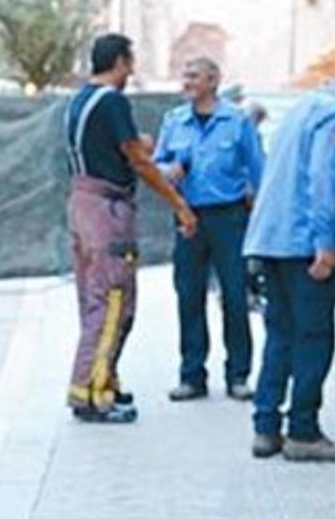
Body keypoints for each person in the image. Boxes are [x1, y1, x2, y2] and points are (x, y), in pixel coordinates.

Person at [244, 59, 335, 462]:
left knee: (280, 334)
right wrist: (325, 243)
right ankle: (303, 430)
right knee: (314, 337)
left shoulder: (301, 108)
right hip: (303, 242)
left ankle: (266, 427)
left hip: (270, 237)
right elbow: (324, 180)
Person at [65, 33, 198, 424]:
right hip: (108, 212)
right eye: (130, 62)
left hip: (81, 205)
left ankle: (105, 381)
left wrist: (135, 142)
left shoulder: (77, 101)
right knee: (114, 302)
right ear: (120, 62)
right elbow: (138, 161)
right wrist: (180, 206)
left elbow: (108, 146)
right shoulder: (112, 101)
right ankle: (91, 393)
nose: (131, 71)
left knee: (94, 301)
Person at [154, 57, 265, 402]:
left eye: (193, 75)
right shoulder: (174, 121)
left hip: (228, 218)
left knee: (234, 296)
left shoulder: (236, 121)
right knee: (189, 296)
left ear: (213, 81)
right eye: (185, 75)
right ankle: (192, 375)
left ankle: (238, 376)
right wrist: (168, 170)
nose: (186, 81)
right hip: (188, 217)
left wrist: (259, 216)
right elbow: (156, 164)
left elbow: (258, 169)